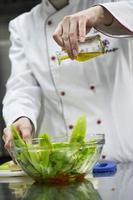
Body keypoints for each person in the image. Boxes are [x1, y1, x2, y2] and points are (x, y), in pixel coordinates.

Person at [2, 0, 133, 162]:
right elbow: (22, 88)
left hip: (125, 159)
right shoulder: (23, 26)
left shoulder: (113, 3)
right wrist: (21, 118)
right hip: (66, 165)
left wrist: (100, 13)